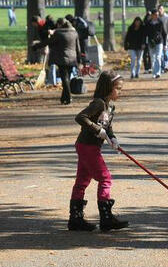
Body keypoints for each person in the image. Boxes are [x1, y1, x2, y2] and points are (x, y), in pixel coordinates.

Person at [68, 70, 129, 232]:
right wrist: (96, 129)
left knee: (82, 181)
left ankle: (75, 219)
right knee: (105, 179)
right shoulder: (99, 103)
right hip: (88, 147)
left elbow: (107, 127)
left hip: (88, 147)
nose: (120, 92)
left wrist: (112, 138)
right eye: (118, 88)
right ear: (108, 87)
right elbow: (80, 117)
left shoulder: (109, 106)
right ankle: (106, 218)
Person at [33, 18, 81, 105]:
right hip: (72, 59)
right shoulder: (74, 33)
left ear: (60, 25)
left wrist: (36, 46)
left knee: (64, 78)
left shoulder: (59, 33)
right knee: (67, 78)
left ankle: (69, 97)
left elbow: (48, 42)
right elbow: (78, 48)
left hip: (62, 58)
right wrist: (79, 60)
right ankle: (64, 98)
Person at [145, 9, 167, 79]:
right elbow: (145, 34)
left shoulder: (160, 22)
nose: (157, 16)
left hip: (159, 42)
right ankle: (154, 73)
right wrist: (145, 42)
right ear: (152, 15)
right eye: (155, 15)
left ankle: (158, 72)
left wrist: (165, 44)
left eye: (158, 15)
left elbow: (164, 33)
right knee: (152, 58)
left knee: (158, 57)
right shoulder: (148, 23)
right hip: (151, 42)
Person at [158, 5, 168, 73]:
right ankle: (162, 67)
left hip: (166, 37)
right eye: (159, 9)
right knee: (160, 54)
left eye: (161, 9)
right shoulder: (157, 18)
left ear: (163, 9)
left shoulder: (167, 17)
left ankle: (166, 65)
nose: (159, 10)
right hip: (159, 38)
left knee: (165, 53)